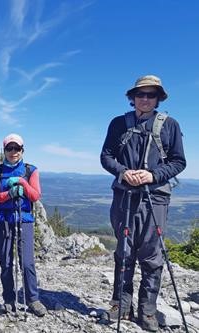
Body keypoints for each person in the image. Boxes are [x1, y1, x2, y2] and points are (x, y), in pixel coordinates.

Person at [100, 75, 186, 331]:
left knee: (151, 255)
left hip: (155, 197)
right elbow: (106, 156)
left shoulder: (170, 125)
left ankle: (147, 311)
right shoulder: (118, 124)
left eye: (151, 95)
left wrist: (153, 175)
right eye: (141, 94)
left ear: (158, 98)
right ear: (132, 97)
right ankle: (120, 306)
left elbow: (179, 161)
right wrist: (124, 172)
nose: (145, 99)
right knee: (123, 252)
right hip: (124, 194)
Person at [0, 133, 47, 317]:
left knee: (27, 262)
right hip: (3, 220)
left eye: (17, 148)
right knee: (5, 263)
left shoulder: (30, 170)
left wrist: (22, 183)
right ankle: (8, 300)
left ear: (22, 150)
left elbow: (35, 195)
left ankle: (33, 300)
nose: (13, 152)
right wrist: (7, 195)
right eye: (9, 148)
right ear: (4, 150)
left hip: (24, 220)